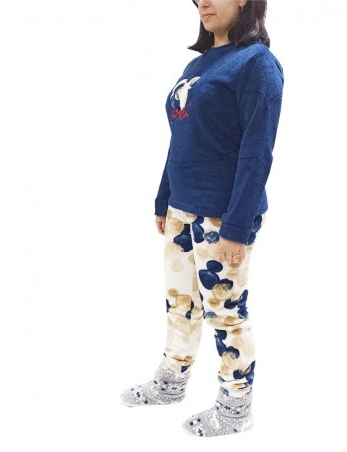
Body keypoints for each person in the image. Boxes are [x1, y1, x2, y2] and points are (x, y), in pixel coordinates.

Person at [120, 0, 284, 437]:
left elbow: (258, 152)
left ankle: (234, 409)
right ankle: (171, 383)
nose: (203, 3)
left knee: (225, 313)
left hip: (222, 216)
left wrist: (237, 226)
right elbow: (182, 137)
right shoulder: (200, 64)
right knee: (181, 305)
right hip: (181, 208)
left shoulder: (257, 64)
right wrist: (164, 199)